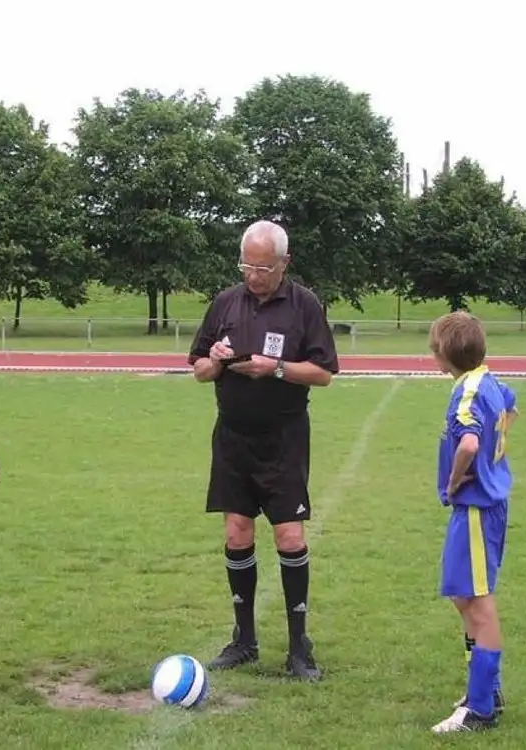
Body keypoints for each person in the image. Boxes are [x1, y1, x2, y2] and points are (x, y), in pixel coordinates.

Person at [187, 219, 339, 681]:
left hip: (284, 438)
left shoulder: (304, 305)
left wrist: (274, 370)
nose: (253, 275)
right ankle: (244, 640)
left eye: (262, 268)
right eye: (247, 265)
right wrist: (213, 362)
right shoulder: (226, 303)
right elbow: (196, 367)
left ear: (283, 264)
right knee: (237, 533)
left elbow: (324, 372)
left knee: (289, 537)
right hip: (232, 437)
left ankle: (299, 648)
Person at [427, 311, 518, 734]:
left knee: (478, 602)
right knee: (464, 596)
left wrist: (458, 475)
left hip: (478, 508)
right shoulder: (486, 379)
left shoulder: (467, 392)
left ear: (443, 354)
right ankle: (484, 690)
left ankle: (482, 707)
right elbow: (512, 404)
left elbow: (467, 441)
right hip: (480, 508)